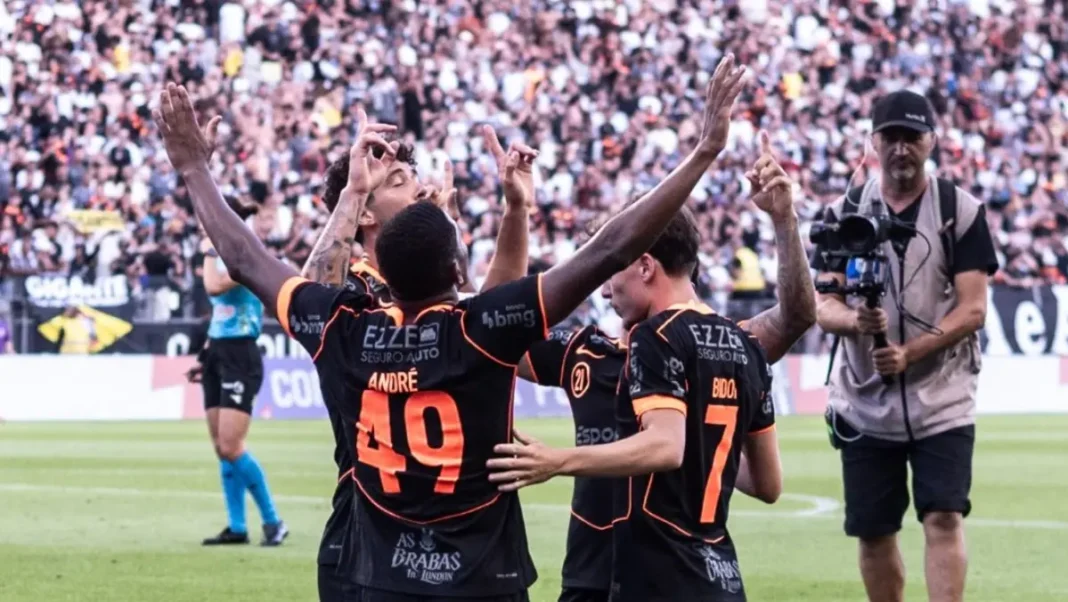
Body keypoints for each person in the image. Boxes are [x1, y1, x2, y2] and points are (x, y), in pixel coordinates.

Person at [152, 53, 746, 601]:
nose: (416, 182)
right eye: (401, 183)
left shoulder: (344, 324)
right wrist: (703, 152)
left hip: (379, 564)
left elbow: (248, 259)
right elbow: (607, 250)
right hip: (476, 572)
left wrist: (193, 168)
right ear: (456, 267)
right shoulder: (473, 328)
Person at [487, 132, 813, 602]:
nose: (601, 291)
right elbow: (493, 331)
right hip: (613, 571)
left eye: (609, 272)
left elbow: (797, 317)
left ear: (644, 266)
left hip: (647, 571)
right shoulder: (590, 351)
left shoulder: (669, 339)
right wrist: (514, 212)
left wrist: (558, 460)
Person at [302, 110, 536, 602]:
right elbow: (312, 297)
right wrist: (352, 192)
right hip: (365, 528)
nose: (419, 189)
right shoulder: (358, 286)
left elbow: (484, 320)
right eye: (400, 181)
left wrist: (481, 223)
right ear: (366, 212)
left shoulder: (422, 283)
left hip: (454, 533)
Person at [810, 90, 999, 602]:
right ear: (873, 142)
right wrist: (855, 322)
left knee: (943, 514)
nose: (900, 149)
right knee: (873, 530)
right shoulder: (840, 213)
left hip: (943, 398)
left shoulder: (960, 210)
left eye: (911, 137)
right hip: (864, 400)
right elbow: (821, 305)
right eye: (890, 137)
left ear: (932, 141)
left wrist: (910, 353)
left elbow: (974, 308)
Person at [195, 235, 287, 547]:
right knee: (222, 448)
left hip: (241, 355)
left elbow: (213, 287)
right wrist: (205, 356)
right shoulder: (225, 260)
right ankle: (237, 527)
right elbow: (219, 312)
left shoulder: (243, 260)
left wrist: (210, 249)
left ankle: (273, 522)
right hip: (217, 354)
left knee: (232, 446)